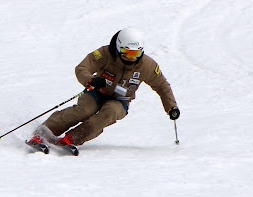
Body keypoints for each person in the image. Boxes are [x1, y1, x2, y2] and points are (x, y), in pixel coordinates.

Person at [30, 27, 180, 147]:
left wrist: (171, 107)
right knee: (84, 110)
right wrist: (91, 80)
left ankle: (72, 138)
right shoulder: (105, 54)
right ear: (119, 47)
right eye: (127, 53)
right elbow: (82, 68)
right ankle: (44, 132)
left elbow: (162, 86)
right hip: (97, 92)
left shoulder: (147, 65)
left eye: (136, 54)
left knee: (109, 113)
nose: (131, 58)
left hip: (120, 100)